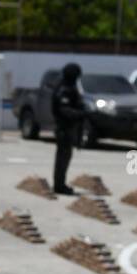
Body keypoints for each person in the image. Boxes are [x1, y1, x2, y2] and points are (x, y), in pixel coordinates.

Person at [51, 62, 87, 195]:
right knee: (62, 158)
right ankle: (59, 185)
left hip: (67, 128)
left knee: (65, 157)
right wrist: (80, 113)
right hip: (63, 128)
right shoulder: (64, 89)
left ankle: (60, 184)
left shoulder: (68, 87)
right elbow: (64, 110)